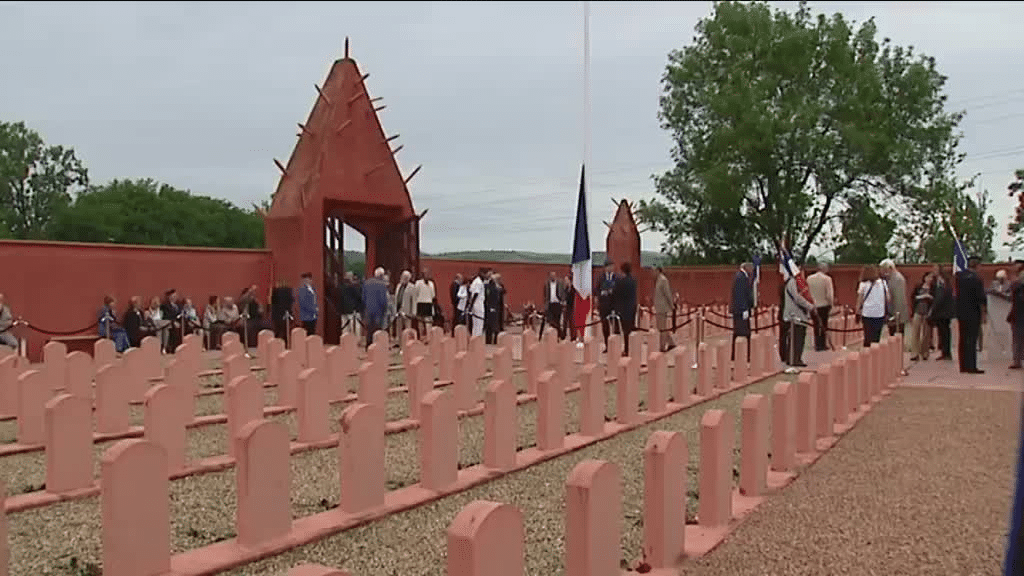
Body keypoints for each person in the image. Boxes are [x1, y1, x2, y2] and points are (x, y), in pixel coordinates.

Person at [955, 255, 987, 374]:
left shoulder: (960, 277)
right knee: (972, 340)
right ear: (977, 266)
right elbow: (981, 297)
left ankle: (963, 366)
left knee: (962, 339)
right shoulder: (977, 279)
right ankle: (971, 366)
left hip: (961, 312)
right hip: (973, 312)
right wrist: (984, 309)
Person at [781, 264, 815, 367]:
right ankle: (794, 359)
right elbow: (797, 298)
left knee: (799, 337)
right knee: (796, 338)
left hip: (799, 315)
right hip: (794, 315)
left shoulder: (797, 283)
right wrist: (810, 306)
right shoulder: (792, 282)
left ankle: (795, 357)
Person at [856, 265, 890, 347]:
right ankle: (874, 354)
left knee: (868, 336)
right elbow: (888, 298)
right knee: (876, 337)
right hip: (880, 313)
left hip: (867, 313)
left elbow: (860, 300)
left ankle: (866, 352)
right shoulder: (883, 283)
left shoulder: (863, 284)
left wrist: (857, 311)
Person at [807, 262, 835, 351]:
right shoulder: (827, 279)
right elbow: (829, 294)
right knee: (824, 325)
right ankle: (822, 344)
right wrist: (831, 304)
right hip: (823, 304)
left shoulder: (809, 278)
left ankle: (817, 344)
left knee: (816, 325)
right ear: (824, 269)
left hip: (812, 305)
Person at [879, 259, 909, 340]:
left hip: (897, 314)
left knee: (897, 337)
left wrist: (895, 315)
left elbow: (898, 298)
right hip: (892, 313)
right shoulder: (889, 279)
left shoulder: (897, 279)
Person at [729, 262, 754, 360]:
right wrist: (744, 309)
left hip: (741, 310)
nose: (752, 270)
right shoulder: (741, 277)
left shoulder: (742, 276)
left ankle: (738, 355)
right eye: (751, 268)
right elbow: (740, 295)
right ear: (746, 267)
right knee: (742, 332)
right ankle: (741, 355)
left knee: (740, 332)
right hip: (740, 310)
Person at [929, 266, 954, 360]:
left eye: (935, 270)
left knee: (944, 333)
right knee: (944, 332)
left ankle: (946, 352)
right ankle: (946, 352)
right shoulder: (945, 282)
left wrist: (933, 309)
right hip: (945, 312)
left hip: (942, 312)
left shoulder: (941, 282)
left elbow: (939, 297)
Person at [909, 272, 935, 361]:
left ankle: (924, 352)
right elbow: (913, 297)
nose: (930, 279)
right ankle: (914, 353)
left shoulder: (933, 288)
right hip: (918, 310)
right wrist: (922, 296)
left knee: (926, 333)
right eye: (928, 277)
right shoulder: (919, 286)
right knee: (915, 332)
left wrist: (930, 297)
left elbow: (936, 299)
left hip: (927, 312)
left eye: (931, 278)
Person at [613, 262, 638, 355]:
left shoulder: (620, 282)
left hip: (623, 308)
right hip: (632, 307)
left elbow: (616, 294)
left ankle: (626, 349)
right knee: (630, 329)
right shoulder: (633, 280)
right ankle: (631, 348)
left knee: (625, 331)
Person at [362, 267, 389, 348]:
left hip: (368, 309)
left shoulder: (366, 283)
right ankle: (377, 346)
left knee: (369, 329)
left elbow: (363, 298)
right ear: (381, 275)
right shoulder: (382, 285)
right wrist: (384, 310)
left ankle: (368, 345)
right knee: (377, 329)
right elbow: (383, 300)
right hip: (379, 310)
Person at [652, 265, 675, 353]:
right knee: (661, 327)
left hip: (663, 307)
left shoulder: (663, 280)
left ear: (658, 270)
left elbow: (667, 294)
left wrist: (671, 305)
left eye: (654, 270)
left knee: (662, 328)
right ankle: (671, 343)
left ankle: (662, 346)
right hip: (658, 307)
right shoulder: (657, 280)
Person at [542, 271, 567, 339]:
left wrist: (563, 301)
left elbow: (563, 292)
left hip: (558, 303)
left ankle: (559, 335)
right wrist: (545, 304)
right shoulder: (547, 284)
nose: (552, 277)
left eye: (554, 276)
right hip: (550, 304)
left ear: (555, 276)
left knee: (557, 320)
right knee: (551, 320)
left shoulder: (560, 282)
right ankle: (553, 335)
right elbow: (545, 294)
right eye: (551, 276)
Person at [597, 261, 616, 350]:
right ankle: (607, 345)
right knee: (605, 326)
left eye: (611, 267)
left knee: (615, 326)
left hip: (614, 305)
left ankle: (615, 345)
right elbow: (596, 290)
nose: (609, 269)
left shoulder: (616, 278)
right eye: (607, 267)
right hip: (603, 305)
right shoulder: (601, 278)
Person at [1009, 262, 1024, 369]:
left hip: (1018, 314)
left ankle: (1017, 361)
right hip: (1017, 314)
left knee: (1017, 339)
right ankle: (1017, 360)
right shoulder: (1016, 285)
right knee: (1017, 339)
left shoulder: (1016, 285)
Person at [414, 269, 437, 336]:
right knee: (422, 321)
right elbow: (433, 295)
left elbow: (416, 293)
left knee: (426, 321)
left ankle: (426, 336)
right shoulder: (430, 283)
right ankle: (424, 336)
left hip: (425, 303)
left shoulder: (419, 283)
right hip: (424, 303)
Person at [468, 268, 488, 338]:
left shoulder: (475, 281)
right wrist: (471, 306)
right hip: (478, 304)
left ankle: (474, 339)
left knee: (475, 324)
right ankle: (476, 340)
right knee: (479, 324)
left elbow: (470, 293)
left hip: (476, 305)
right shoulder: (479, 282)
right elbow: (475, 294)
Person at [395, 270, 416, 336]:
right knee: (398, 328)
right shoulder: (398, 286)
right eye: (403, 276)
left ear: (409, 278)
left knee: (407, 329)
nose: (404, 278)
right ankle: (399, 342)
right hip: (398, 311)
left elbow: (414, 300)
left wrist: (413, 312)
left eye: (406, 277)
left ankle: (407, 342)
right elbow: (396, 297)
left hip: (407, 311)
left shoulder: (412, 287)